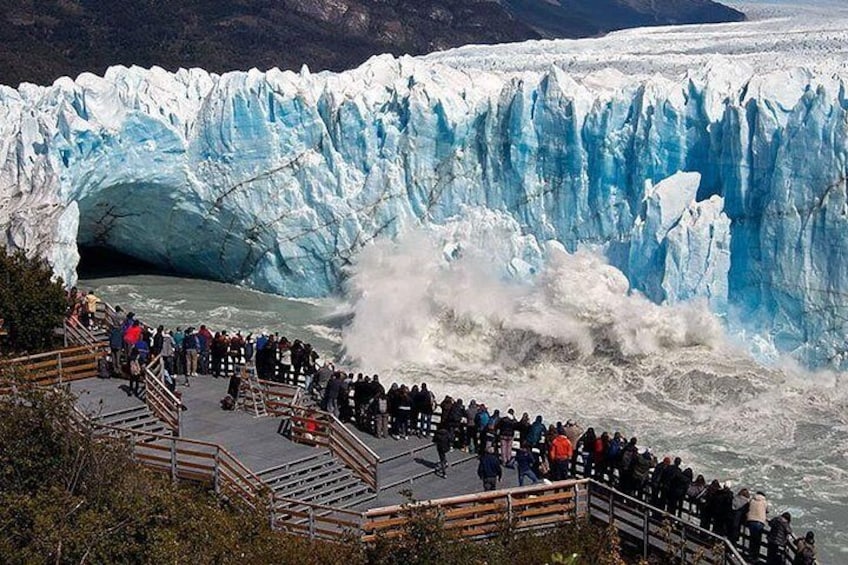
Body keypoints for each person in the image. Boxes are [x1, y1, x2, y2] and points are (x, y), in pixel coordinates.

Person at [746, 491, 769, 560]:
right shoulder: (764, 502)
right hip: (759, 522)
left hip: (751, 521)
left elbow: (748, 507)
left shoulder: (752, 500)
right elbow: (767, 511)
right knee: (757, 541)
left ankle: (750, 555)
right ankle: (755, 557)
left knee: (752, 539)